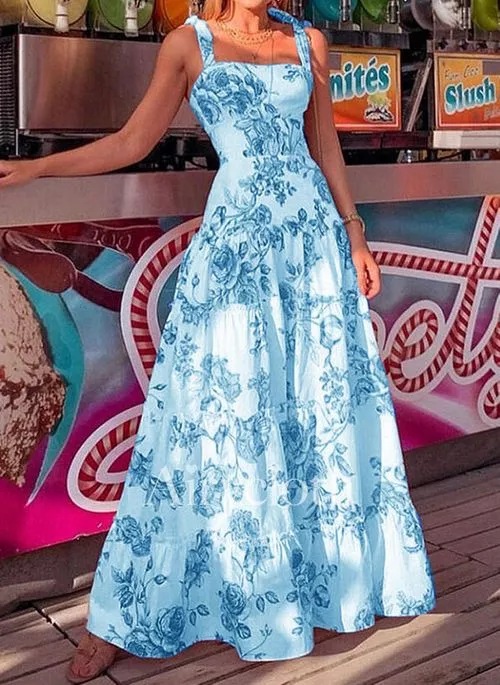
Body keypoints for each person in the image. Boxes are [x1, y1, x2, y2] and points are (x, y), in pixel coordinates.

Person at [0, 0, 436, 682]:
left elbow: (324, 147)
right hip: (237, 255)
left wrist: (353, 235)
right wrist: (37, 169)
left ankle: (325, 586)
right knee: (203, 422)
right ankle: (127, 614)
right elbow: (131, 142)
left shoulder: (310, 42)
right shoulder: (188, 42)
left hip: (312, 249)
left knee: (317, 415)